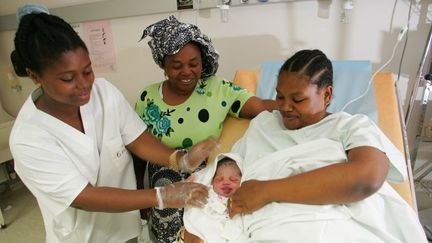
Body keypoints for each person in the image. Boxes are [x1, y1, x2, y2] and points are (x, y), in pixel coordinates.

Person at [9, 5, 218, 243]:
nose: (84, 84)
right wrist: (162, 196)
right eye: (68, 78)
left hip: (124, 227)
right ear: (35, 77)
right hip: (83, 236)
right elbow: (84, 197)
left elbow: (138, 140)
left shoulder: (104, 92)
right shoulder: (29, 138)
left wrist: (180, 159)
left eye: (87, 71)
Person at [221, 49, 427, 242]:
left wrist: (266, 191)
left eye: (297, 99)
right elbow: (228, 170)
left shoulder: (351, 126)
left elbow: (367, 177)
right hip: (269, 224)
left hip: (335, 222)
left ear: (326, 95)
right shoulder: (264, 124)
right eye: (280, 96)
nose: (284, 107)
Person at [135, 15, 276, 242]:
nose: (187, 72)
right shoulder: (147, 98)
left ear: (203, 61)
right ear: (163, 65)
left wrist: (296, 105)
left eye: (194, 64)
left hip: (208, 177)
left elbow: (259, 106)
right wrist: (140, 198)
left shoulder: (218, 89)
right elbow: (137, 147)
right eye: (176, 66)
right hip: (164, 177)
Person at [183, 153, 244, 243]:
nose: (225, 182)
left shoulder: (243, 198)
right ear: (212, 180)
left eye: (233, 179)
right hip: (204, 230)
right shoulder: (208, 192)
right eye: (219, 179)